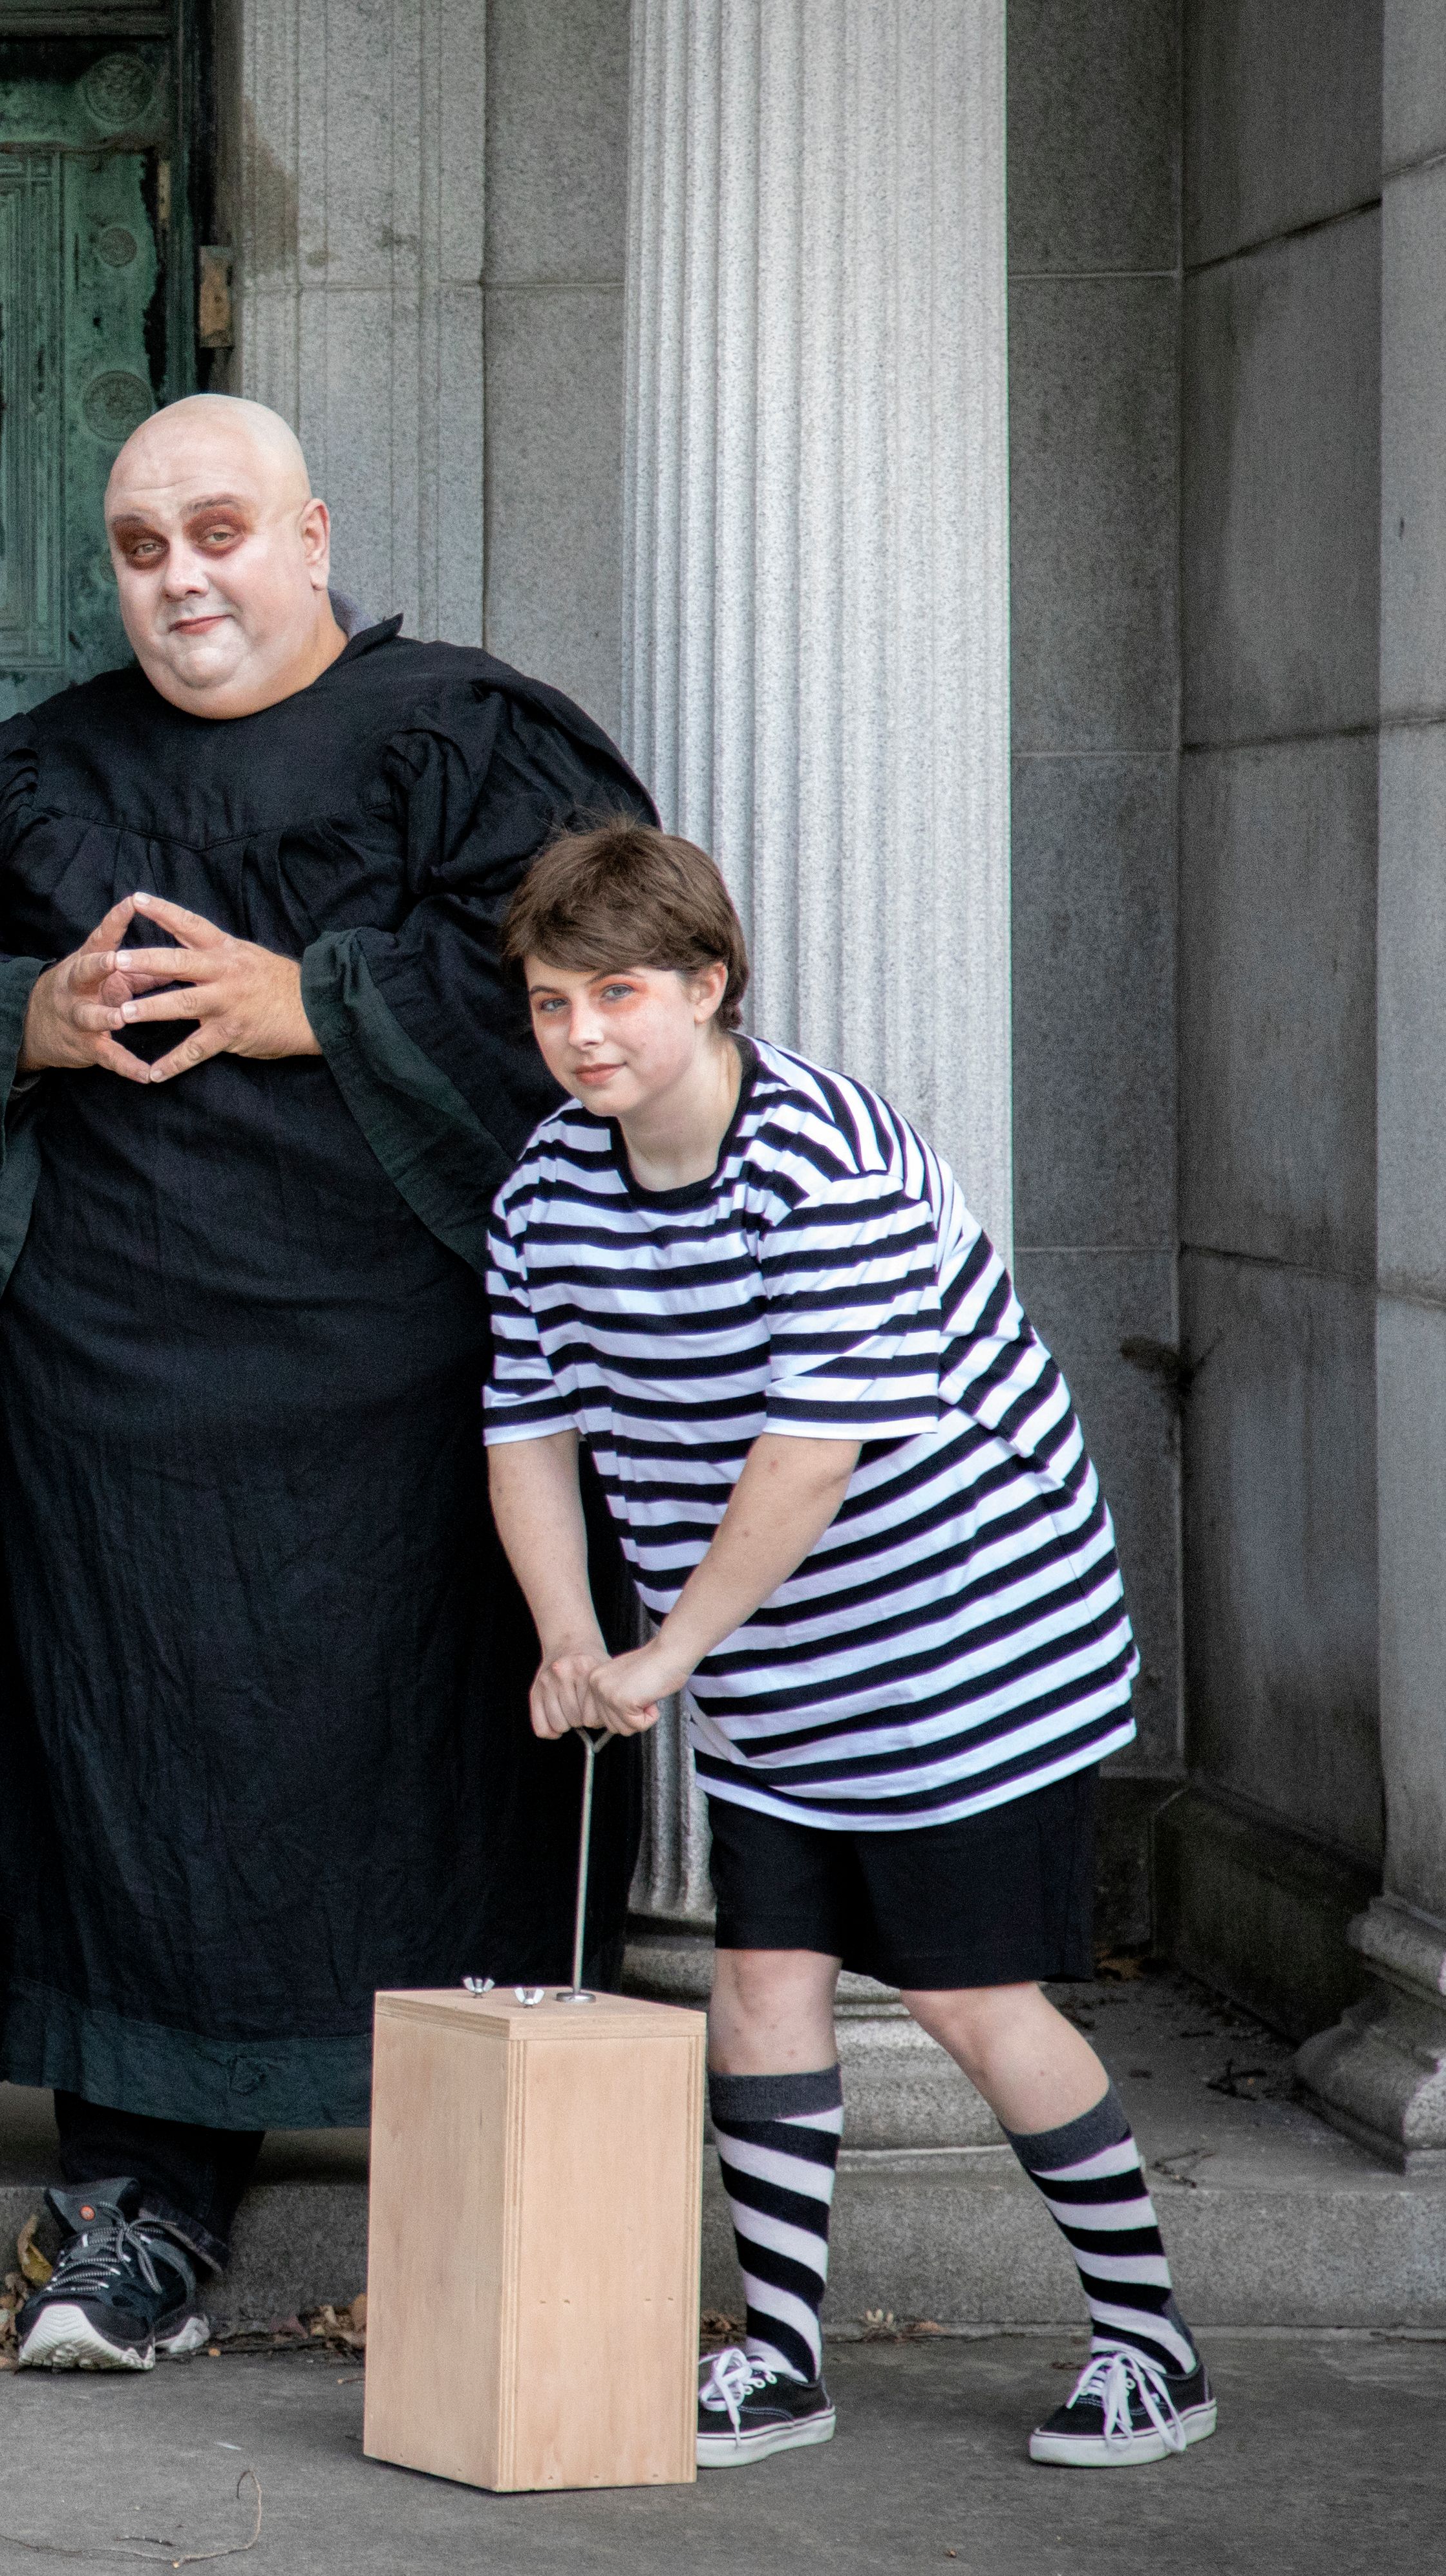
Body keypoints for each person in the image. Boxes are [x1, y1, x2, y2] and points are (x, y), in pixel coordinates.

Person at [0, 392, 654, 2372]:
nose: (180, 578)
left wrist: (314, 996)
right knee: (143, 1778)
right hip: (118, 1384)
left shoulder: (464, 735)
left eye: (216, 532)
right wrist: (22, 1015)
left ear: (309, 536)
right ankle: (145, 2187)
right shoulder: (31, 773)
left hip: (404, 1385)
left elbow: (605, 974)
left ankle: (498, 2196)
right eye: (140, 548)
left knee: (418, 1764)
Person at [480, 822, 1201, 2473]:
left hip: (968, 1634)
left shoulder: (828, 1160)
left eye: (618, 994)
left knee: (966, 1995)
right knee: (758, 1984)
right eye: (546, 1004)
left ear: (707, 985)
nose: (582, 1034)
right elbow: (525, 1422)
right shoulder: (545, 1185)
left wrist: (664, 1654)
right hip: (763, 1659)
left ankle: (1150, 2342)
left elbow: (814, 1450)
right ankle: (785, 2356)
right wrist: (571, 1635)